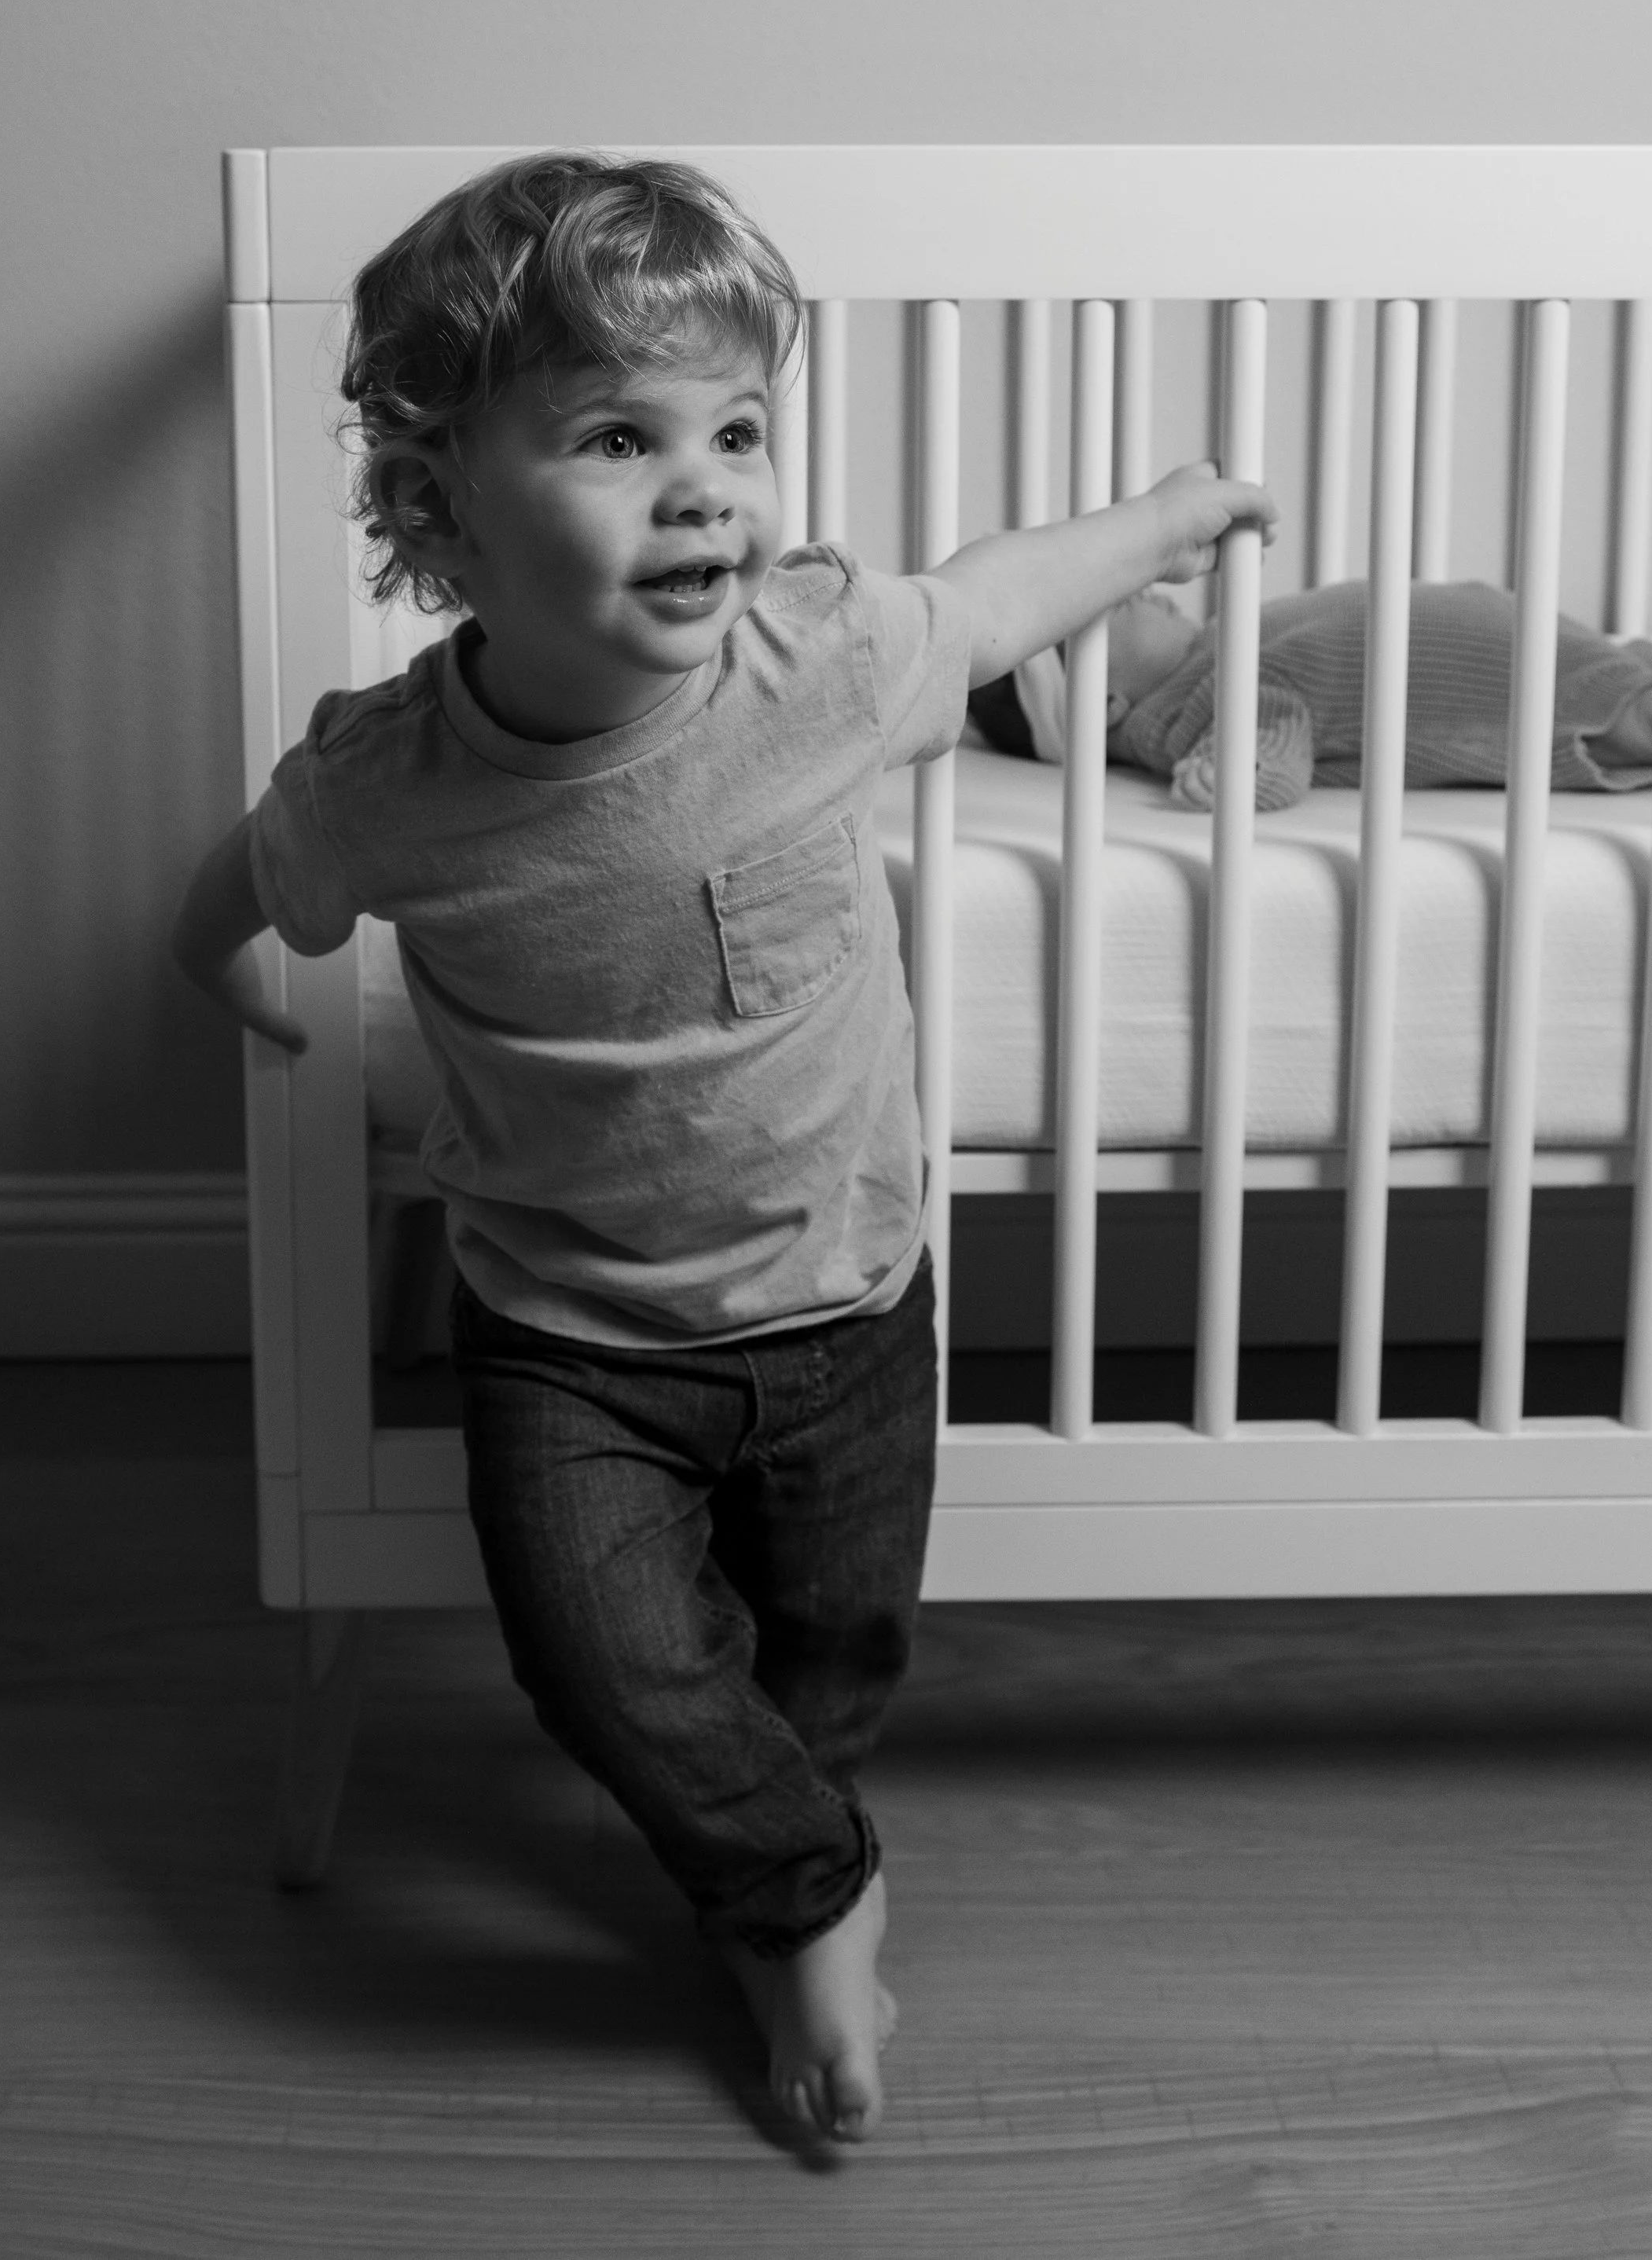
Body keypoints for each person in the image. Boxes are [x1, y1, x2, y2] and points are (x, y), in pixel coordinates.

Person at [171, 155, 1276, 2144]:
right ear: (439, 507)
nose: (709, 487)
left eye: (739, 429)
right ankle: (806, 1894)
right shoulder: (389, 781)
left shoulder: (815, 661)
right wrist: (221, 965)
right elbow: (250, 873)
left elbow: (1004, 584)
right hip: (570, 1328)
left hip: (848, 1289)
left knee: (832, 1657)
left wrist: (1177, 516)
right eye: (618, 435)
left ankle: (775, 1849)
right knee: (604, 1664)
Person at [971, 577, 1652, 806]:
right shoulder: (1219, 695)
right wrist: (1234, 777)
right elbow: (1274, 761)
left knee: (1633, 689)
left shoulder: (1218, 654)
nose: (1132, 589)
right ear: (1105, 705)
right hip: (1537, 693)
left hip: (1539, 655)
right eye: (1107, 611)